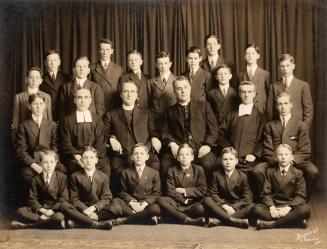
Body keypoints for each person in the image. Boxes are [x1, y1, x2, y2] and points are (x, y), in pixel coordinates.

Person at [254, 92, 319, 196]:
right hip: (275, 160)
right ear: (276, 106)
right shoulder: (269, 125)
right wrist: (278, 160)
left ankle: (302, 199)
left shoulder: (300, 125)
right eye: (280, 104)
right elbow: (267, 149)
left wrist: (291, 160)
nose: (283, 107)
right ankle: (269, 198)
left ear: (291, 104)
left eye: (285, 103)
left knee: (313, 171)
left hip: (295, 160)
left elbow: (305, 150)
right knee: (258, 170)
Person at [103, 81, 160, 193]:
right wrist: (111, 138)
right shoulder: (111, 114)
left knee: (156, 165)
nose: (129, 94)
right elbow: (103, 133)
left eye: (132, 91)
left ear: (137, 95)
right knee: (117, 171)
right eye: (126, 91)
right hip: (121, 155)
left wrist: (153, 139)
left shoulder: (146, 113)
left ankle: (148, 197)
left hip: (144, 153)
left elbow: (154, 131)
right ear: (121, 95)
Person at [161, 76, 218, 179]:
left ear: (190, 88)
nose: (183, 91)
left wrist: (207, 145)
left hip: (200, 148)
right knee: (165, 165)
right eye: (179, 88)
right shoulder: (169, 111)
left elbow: (213, 130)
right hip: (178, 149)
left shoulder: (204, 106)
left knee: (208, 163)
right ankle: (171, 192)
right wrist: (172, 144)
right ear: (174, 91)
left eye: (185, 87)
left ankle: (205, 193)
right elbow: (165, 132)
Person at [252, 144, 311, 230]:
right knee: (256, 209)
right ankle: (292, 221)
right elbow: (265, 193)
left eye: (286, 154)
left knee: (305, 209)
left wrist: (288, 208)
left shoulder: (298, 173)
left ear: (291, 157)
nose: (283, 157)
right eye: (280, 154)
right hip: (274, 206)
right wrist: (272, 208)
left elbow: (300, 195)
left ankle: (272, 224)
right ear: (276, 157)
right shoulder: (270, 172)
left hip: (289, 207)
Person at [16, 93, 66, 192]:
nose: (38, 106)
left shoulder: (51, 125)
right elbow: (21, 151)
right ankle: (35, 203)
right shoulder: (23, 126)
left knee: (62, 171)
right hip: (32, 162)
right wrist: (34, 165)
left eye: (41, 103)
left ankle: (55, 201)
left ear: (44, 106)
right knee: (27, 176)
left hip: (49, 161)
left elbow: (55, 147)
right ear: (29, 106)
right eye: (35, 104)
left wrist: (51, 162)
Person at [11, 150, 68, 229]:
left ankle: (28, 226)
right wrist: (43, 211)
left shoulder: (62, 178)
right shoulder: (35, 179)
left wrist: (51, 211)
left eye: (51, 162)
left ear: (55, 163)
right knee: (20, 211)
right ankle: (49, 222)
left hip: (54, 210)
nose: (49, 165)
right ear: (40, 164)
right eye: (45, 162)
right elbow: (32, 199)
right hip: (41, 210)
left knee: (58, 217)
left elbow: (63, 198)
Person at [59, 87, 109, 176]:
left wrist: (92, 157)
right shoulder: (67, 120)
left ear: (90, 100)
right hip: (76, 157)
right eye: (79, 97)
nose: (83, 101)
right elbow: (66, 143)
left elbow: (101, 142)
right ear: (75, 100)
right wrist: (77, 156)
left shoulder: (97, 119)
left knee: (105, 167)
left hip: (94, 156)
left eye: (86, 97)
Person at [218, 81, 265, 173]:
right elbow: (220, 134)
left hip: (250, 159)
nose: (246, 95)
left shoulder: (261, 116)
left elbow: (263, 139)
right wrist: (229, 150)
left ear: (254, 94)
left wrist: (254, 154)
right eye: (243, 92)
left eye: (249, 92)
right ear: (239, 94)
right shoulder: (231, 114)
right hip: (231, 159)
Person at [109, 144, 161, 225]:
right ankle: (144, 218)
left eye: (141, 153)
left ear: (147, 157)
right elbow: (122, 192)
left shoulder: (154, 173)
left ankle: (126, 219)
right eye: (136, 154)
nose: (138, 156)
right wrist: (132, 203)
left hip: (146, 205)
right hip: (131, 204)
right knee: (116, 202)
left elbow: (156, 193)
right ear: (132, 157)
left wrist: (144, 204)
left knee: (155, 209)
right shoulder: (125, 172)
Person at [62, 147, 113, 230]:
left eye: (91, 157)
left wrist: (93, 208)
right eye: (85, 158)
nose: (88, 160)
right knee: (65, 206)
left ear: (96, 160)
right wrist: (86, 210)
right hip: (82, 209)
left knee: (116, 207)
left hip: (97, 209)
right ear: (81, 161)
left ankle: (80, 223)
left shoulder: (103, 177)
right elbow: (74, 199)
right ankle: (95, 224)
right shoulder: (75, 176)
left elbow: (106, 198)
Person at [157, 144, 207, 226]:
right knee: (161, 200)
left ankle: (174, 217)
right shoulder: (172, 170)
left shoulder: (198, 169)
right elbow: (170, 191)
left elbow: (202, 190)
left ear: (192, 157)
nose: (184, 157)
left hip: (192, 203)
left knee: (201, 209)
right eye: (181, 155)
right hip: (176, 202)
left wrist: (184, 191)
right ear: (177, 157)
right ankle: (188, 220)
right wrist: (184, 200)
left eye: (187, 154)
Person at [203, 147, 253, 229]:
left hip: (236, 208)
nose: (228, 162)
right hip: (221, 206)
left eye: (231, 159)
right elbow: (212, 193)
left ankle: (220, 220)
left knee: (253, 206)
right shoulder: (216, 174)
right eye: (225, 159)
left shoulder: (242, 176)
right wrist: (225, 206)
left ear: (236, 161)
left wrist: (234, 207)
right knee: (206, 199)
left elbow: (248, 197)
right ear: (221, 161)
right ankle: (232, 221)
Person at [267, 54, 313, 128]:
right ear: (279, 68)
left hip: (297, 128)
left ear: (293, 66)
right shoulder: (274, 87)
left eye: (288, 65)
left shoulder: (303, 86)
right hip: (279, 129)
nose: (285, 69)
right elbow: (270, 112)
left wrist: (303, 131)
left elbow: (308, 112)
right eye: (282, 66)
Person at [57, 56, 105, 122]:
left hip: (91, 124)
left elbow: (100, 111)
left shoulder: (96, 87)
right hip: (71, 124)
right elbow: (62, 111)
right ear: (74, 70)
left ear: (88, 70)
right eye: (79, 66)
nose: (82, 69)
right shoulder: (65, 87)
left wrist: (96, 124)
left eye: (84, 67)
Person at [147, 51, 177, 136]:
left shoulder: (177, 80)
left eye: (165, 63)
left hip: (173, 119)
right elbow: (150, 103)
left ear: (170, 64)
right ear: (156, 65)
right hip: (157, 120)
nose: (163, 66)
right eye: (160, 63)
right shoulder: (151, 82)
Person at [90, 38, 123, 111]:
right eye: (102, 49)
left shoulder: (118, 69)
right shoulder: (92, 68)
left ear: (112, 51)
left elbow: (120, 90)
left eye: (107, 50)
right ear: (99, 51)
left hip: (114, 106)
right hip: (98, 106)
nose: (105, 52)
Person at [237, 44, 270, 115]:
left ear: (258, 56)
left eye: (253, 53)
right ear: (244, 57)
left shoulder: (265, 74)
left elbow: (269, 94)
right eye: (248, 53)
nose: (250, 56)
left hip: (260, 111)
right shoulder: (240, 75)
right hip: (245, 110)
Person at [40, 49, 70, 121]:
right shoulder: (40, 79)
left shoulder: (67, 78)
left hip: (64, 113)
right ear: (45, 63)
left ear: (59, 62)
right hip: (47, 113)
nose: (52, 63)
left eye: (55, 60)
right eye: (50, 60)